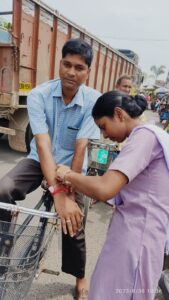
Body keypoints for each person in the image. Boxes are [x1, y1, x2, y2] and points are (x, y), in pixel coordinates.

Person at [0, 38, 101, 299]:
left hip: (72, 164)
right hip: (38, 159)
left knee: (73, 218)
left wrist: (68, 194)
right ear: (60, 64)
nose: (71, 72)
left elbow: (80, 149)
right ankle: (4, 249)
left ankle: (80, 275)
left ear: (87, 71)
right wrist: (57, 192)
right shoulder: (38, 94)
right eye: (66, 64)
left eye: (79, 67)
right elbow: (42, 145)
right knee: (3, 190)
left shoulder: (93, 100)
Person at [55, 91, 169, 300]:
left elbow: (105, 187)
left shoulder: (145, 137)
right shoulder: (146, 136)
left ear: (119, 114)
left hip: (137, 239)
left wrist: (68, 174)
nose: (104, 135)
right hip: (134, 233)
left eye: (103, 127)